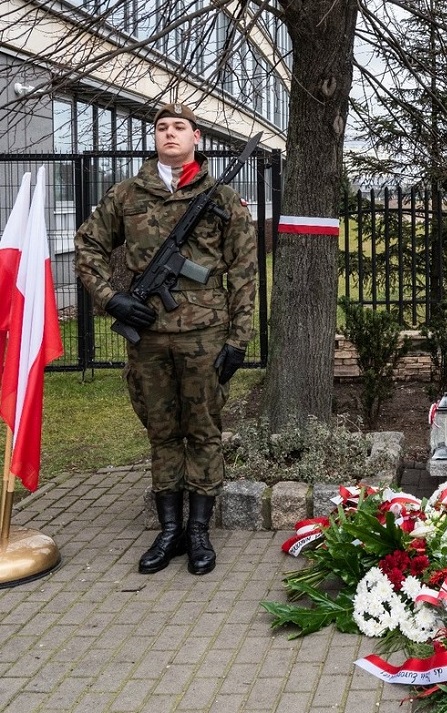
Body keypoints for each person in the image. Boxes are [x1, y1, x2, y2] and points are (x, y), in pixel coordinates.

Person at [74, 102, 257, 576]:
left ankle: (199, 531)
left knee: (203, 430)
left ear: (197, 137)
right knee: (162, 433)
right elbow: (89, 245)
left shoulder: (222, 198)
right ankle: (169, 529)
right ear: (154, 138)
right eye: (162, 127)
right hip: (149, 336)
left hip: (205, 335)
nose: (170, 134)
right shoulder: (127, 194)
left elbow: (243, 272)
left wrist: (238, 339)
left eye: (180, 127)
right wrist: (112, 299)